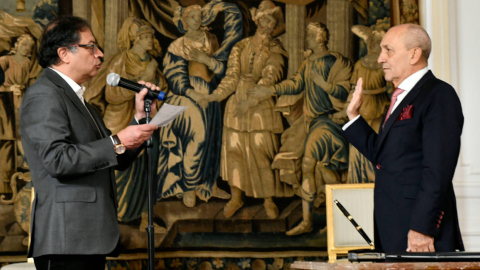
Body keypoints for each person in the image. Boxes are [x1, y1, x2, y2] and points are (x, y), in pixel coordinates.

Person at [19, 16, 159, 270]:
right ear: (64, 53)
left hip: (88, 237)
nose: (101, 54)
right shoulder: (44, 94)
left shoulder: (83, 103)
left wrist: (139, 119)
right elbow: (57, 160)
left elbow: (117, 156)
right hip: (66, 238)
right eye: (91, 46)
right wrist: (118, 139)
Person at [343, 23, 464, 252]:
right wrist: (354, 117)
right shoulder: (399, 98)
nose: (380, 58)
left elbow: (437, 171)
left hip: (420, 236)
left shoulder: (439, 95)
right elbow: (386, 158)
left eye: (388, 50)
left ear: (414, 54)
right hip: (393, 229)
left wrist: (423, 228)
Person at [250, 22, 352, 235]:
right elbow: (295, 84)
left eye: (309, 35)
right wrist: (270, 90)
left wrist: (324, 85)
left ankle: (311, 221)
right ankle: (337, 219)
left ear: (320, 38)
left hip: (329, 121)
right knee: (325, 170)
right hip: (312, 122)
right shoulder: (309, 62)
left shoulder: (334, 61)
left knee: (307, 165)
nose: (306, 38)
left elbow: (343, 92)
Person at [201, 1, 289, 219]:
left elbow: (271, 76)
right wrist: (214, 96)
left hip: (260, 106)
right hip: (237, 103)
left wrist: (250, 102)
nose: (267, 25)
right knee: (234, 150)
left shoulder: (277, 49)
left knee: (261, 150)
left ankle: (268, 199)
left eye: (271, 21)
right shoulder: (240, 46)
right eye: (264, 20)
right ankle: (236, 197)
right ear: (258, 21)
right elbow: (231, 77)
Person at [86, 17, 167, 233]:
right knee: (119, 167)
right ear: (136, 39)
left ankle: (143, 216)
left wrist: (152, 83)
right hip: (120, 120)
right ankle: (116, 213)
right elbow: (112, 94)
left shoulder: (152, 62)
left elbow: (162, 87)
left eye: (151, 36)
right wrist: (142, 79)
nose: (151, 40)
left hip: (145, 120)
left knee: (144, 168)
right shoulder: (121, 60)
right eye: (147, 36)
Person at [157, 2, 241, 207]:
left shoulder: (211, 40)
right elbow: (174, 75)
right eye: (193, 16)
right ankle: (188, 186)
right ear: (184, 22)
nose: (198, 19)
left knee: (212, 140)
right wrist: (191, 93)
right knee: (195, 139)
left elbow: (224, 70)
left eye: (200, 15)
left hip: (210, 94)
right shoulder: (178, 45)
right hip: (186, 96)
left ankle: (208, 184)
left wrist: (208, 61)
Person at [0, 34, 38, 188]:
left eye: (29, 47)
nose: (26, 49)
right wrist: (9, 88)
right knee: (8, 138)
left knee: (23, 134)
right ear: (17, 45)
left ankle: (28, 164)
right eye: (24, 45)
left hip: (21, 102)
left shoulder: (27, 63)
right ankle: (5, 180)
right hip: (5, 102)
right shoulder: (4, 61)